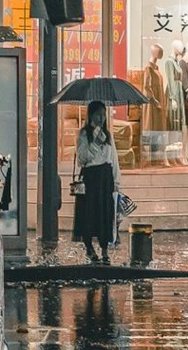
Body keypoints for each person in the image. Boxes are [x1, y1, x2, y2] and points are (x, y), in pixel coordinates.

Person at [72, 100, 121, 264]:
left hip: (105, 176)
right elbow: (82, 158)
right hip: (91, 176)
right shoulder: (84, 134)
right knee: (89, 213)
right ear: (91, 115)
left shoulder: (108, 134)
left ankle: (105, 249)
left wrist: (116, 181)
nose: (101, 118)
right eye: (98, 114)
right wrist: (96, 144)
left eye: (103, 114)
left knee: (105, 213)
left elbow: (113, 158)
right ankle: (89, 248)